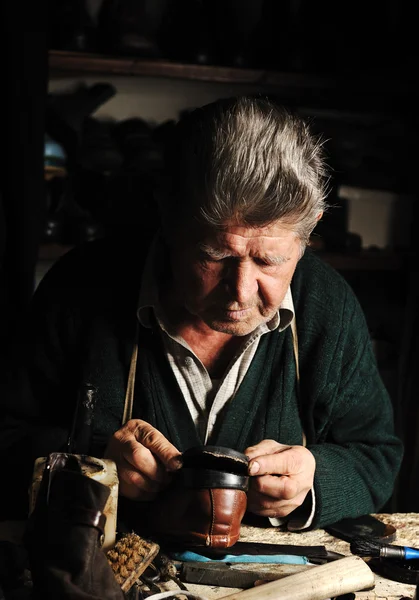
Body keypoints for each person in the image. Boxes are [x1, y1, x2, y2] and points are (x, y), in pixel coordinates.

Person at [0, 95, 403, 531]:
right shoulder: (81, 288)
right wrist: (88, 465)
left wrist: (314, 481)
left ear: (310, 233)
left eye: (269, 261)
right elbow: (6, 437)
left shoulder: (328, 307)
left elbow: (376, 455)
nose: (240, 292)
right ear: (169, 219)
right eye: (214, 255)